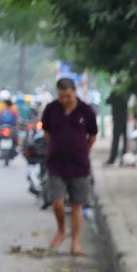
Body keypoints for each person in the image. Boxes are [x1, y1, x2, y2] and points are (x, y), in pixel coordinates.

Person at [41, 77, 98, 256]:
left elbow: (92, 135)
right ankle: (61, 229)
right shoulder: (51, 109)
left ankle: (75, 243)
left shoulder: (86, 111)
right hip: (56, 163)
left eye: (67, 96)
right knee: (57, 202)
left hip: (79, 164)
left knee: (77, 205)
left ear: (75, 91)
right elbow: (47, 132)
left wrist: (83, 150)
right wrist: (57, 146)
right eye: (61, 96)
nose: (64, 100)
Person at [105, 80, 128, 166]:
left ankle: (112, 159)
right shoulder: (125, 93)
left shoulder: (114, 93)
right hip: (125, 119)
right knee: (125, 140)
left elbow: (107, 101)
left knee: (116, 140)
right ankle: (124, 158)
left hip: (117, 120)